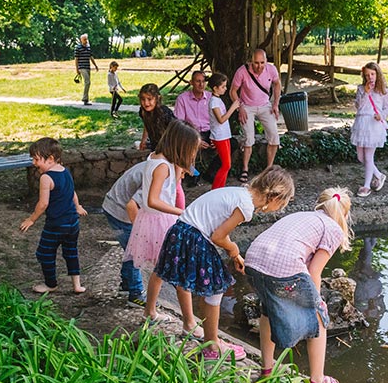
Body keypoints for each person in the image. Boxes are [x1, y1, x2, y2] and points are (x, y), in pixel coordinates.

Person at [155, 166, 295, 361]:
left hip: (182, 231)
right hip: (194, 237)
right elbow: (218, 236)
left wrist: (235, 256)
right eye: (282, 204)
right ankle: (212, 346)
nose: (279, 209)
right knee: (216, 288)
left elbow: (219, 227)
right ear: (275, 197)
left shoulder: (240, 193)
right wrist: (234, 248)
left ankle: (202, 333)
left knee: (204, 286)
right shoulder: (246, 207)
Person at [246, 187, 353, 383]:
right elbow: (314, 271)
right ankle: (317, 382)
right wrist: (318, 301)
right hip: (283, 268)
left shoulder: (302, 216)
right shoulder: (333, 229)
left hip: (253, 261)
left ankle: (266, 371)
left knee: (267, 310)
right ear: (344, 214)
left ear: (319, 204)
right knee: (319, 317)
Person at [125, 121, 201, 334]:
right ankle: (189, 324)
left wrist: (179, 169)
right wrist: (180, 212)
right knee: (180, 272)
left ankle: (149, 312)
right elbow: (152, 200)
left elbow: (171, 188)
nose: (192, 154)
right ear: (180, 145)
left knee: (159, 271)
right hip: (160, 222)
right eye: (191, 149)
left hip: (155, 221)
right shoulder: (162, 166)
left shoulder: (157, 158)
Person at [20, 137, 88, 294]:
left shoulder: (46, 178)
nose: (33, 163)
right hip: (73, 223)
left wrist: (31, 219)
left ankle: (51, 284)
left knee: (44, 253)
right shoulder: (65, 171)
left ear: (50, 158)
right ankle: (77, 285)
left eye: (36, 159)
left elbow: (43, 204)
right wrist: (77, 206)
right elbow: (72, 192)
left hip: (56, 225)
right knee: (71, 252)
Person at [230, 48, 282, 183]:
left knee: (274, 136)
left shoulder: (271, 69)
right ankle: (245, 168)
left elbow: (277, 84)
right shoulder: (242, 71)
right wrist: (240, 107)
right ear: (251, 61)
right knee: (248, 138)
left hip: (265, 105)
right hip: (247, 106)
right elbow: (233, 91)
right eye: (256, 63)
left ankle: (268, 168)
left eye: (262, 63)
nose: (259, 66)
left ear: (266, 61)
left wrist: (275, 104)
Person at [102, 161, 148, 306]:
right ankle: (136, 294)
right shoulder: (158, 173)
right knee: (136, 251)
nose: (182, 177)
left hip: (114, 207)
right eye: (182, 173)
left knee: (130, 248)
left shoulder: (155, 164)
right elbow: (132, 206)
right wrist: (139, 231)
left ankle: (127, 285)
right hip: (119, 212)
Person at [350, 62, 388, 197]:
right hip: (361, 123)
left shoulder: (383, 90)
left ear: (377, 74)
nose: (370, 77)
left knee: (368, 156)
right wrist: (366, 92)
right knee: (361, 157)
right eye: (367, 75)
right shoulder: (361, 89)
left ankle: (366, 186)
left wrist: (382, 115)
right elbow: (358, 106)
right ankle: (379, 175)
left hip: (373, 124)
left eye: (372, 74)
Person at [174, 70, 215, 187]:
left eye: (203, 81)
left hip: (209, 132)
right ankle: (193, 174)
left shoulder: (211, 97)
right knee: (183, 146)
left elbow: (218, 120)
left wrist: (216, 137)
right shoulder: (182, 99)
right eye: (198, 81)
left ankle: (211, 172)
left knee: (232, 143)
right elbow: (180, 124)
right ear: (191, 82)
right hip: (191, 133)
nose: (201, 84)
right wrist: (196, 140)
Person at [207, 72, 240, 189]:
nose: (225, 89)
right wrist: (233, 108)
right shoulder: (213, 102)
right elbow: (221, 119)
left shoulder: (217, 100)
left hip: (224, 135)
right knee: (226, 165)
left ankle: (220, 187)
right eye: (223, 87)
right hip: (219, 136)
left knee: (226, 165)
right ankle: (216, 189)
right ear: (215, 88)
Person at [138, 83, 175, 151]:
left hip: (170, 145)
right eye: (143, 99)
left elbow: (176, 131)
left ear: (157, 98)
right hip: (155, 144)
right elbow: (146, 124)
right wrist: (144, 140)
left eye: (149, 99)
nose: (146, 103)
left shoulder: (164, 113)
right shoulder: (143, 111)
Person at [74, 33, 99, 105]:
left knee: (87, 82)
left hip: (88, 67)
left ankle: (86, 99)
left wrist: (95, 65)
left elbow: (91, 57)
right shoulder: (78, 48)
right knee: (87, 82)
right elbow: (76, 59)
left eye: (86, 39)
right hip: (82, 67)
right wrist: (77, 69)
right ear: (81, 40)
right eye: (84, 39)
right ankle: (85, 99)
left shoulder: (88, 47)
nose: (86, 40)